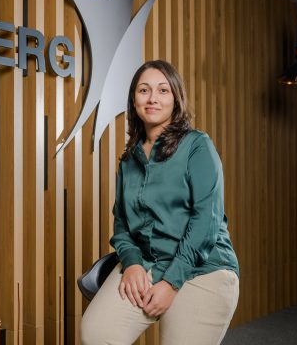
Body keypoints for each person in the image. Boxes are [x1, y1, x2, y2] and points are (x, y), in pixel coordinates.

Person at [80, 60, 239, 345]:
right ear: (133, 100)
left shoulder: (197, 146)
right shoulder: (129, 160)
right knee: (97, 334)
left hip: (202, 269)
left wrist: (171, 282)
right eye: (144, 90)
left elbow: (207, 221)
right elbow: (122, 224)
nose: (153, 98)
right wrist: (131, 264)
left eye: (163, 90)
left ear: (176, 99)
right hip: (147, 264)